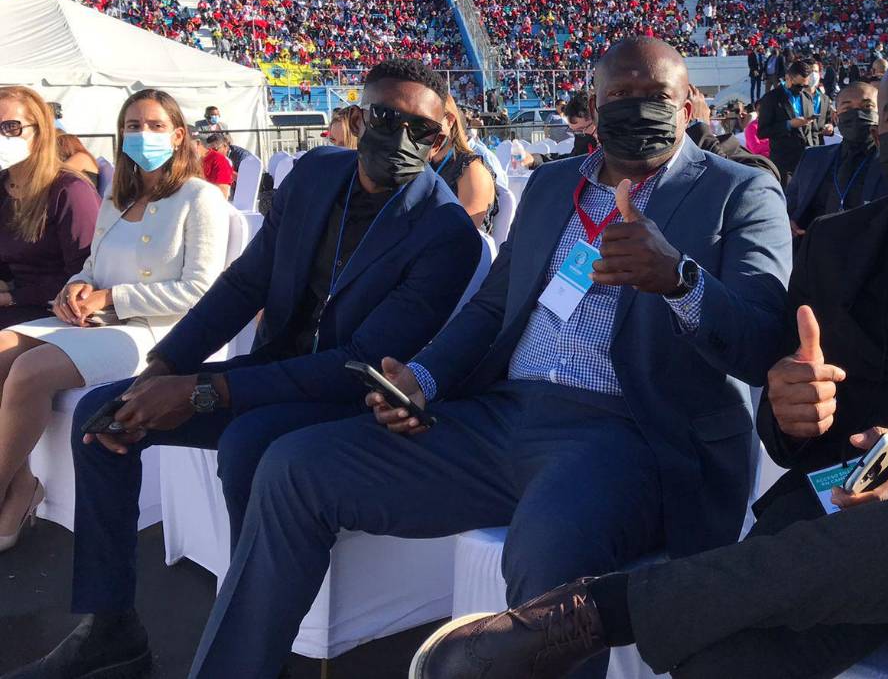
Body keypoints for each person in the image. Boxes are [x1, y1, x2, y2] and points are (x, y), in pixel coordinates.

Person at [411, 43, 888, 679]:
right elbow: (790, 438)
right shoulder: (838, 247)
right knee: (713, 658)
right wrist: (791, 409)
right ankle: (634, 609)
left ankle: (599, 612)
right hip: (842, 529)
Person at [177, 37, 791, 679]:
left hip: (629, 434)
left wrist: (681, 280)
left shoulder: (740, 191)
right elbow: (493, 307)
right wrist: (423, 378)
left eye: (656, 95)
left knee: (550, 551)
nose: (637, 108)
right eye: (620, 95)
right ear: (593, 106)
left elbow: (759, 339)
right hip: (500, 417)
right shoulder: (553, 185)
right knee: (293, 467)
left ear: (688, 106)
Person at [6, 60, 482, 679]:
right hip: (270, 372)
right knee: (103, 417)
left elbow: (359, 365)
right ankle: (110, 628)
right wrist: (164, 367)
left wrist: (202, 391)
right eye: (388, 118)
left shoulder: (446, 232)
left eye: (423, 130)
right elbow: (244, 284)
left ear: (442, 141)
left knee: (248, 444)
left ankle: (254, 650)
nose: (403, 138)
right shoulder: (316, 174)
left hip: (346, 399)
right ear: (359, 118)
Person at [0, 90, 229, 552]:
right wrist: (76, 288)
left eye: (155, 125)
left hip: (156, 330)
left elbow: (201, 291)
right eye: (132, 126)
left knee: (29, 371)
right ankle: (20, 486)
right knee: (2, 346)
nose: (142, 134)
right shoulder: (118, 197)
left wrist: (112, 297)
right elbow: (92, 265)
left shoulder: (199, 197)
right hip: (100, 319)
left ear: (178, 135)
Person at [0, 86, 100, 329]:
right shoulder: (3, 186)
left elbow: (86, 275)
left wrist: (11, 297)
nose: (2, 137)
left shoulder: (70, 191)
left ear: (41, 132)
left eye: (11, 127)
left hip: (56, 313)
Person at [786, 81, 888, 236]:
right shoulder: (812, 158)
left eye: (867, 107)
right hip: (813, 246)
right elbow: (789, 204)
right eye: (847, 108)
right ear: (836, 117)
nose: (857, 114)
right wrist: (786, 222)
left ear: (880, 113)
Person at [757, 59, 832, 186]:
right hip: (784, 163)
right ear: (788, 78)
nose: (801, 89)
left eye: (804, 86)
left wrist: (826, 129)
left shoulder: (807, 97)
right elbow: (762, 132)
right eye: (798, 85)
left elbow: (813, 130)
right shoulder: (771, 98)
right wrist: (789, 124)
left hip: (808, 161)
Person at [431, 94, 498, 232]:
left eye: (427, 122)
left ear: (449, 121)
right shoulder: (423, 164)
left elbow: (463, 236)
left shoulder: (472, 172)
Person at [684, 85, 778, 182]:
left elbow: (759, 179)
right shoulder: (752, 126)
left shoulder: (752, 164)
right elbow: (755, 149)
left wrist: (699, 128)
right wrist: (699, 127)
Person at [197, 133, 235, 200]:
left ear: (225, 146)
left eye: (215, 149)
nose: (213, 151)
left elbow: (222, 196)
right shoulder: (204, 158)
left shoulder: (223, 161)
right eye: (209, 149)